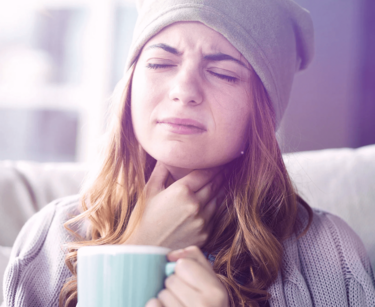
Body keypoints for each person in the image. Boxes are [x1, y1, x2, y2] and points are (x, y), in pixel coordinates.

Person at [3, 0, 375, 306]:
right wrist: (137, 252)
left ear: (262, 111)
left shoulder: (331, 252)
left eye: (224, 73)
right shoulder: (51, 237)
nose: (184, 90)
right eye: (160, 63)